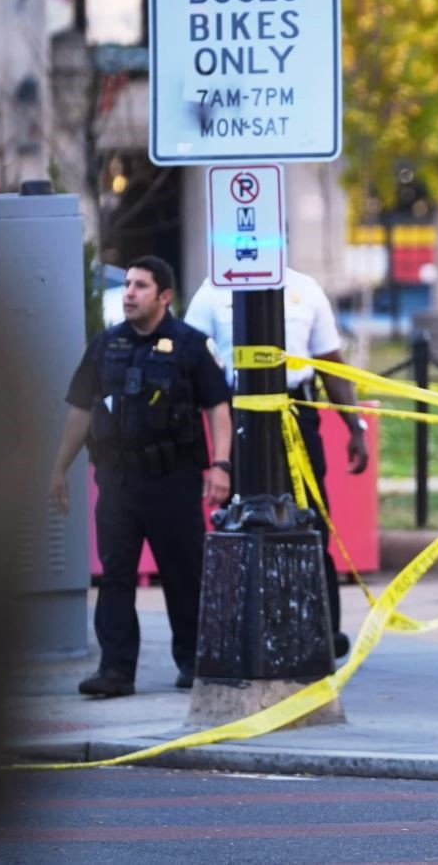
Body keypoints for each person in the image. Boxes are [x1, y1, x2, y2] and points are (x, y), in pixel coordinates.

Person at [48, 256, 233, 696]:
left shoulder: (191, 346)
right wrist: (59, 467)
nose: (129, 293)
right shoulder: (106, 345)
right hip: (118, 480)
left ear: (164, 296)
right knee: (115, 575)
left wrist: (221, 465)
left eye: (141, 286)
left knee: (183, 572)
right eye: (128, 284)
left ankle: (193, 661)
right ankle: (115, 670)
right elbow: (80, 410)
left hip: (173, 478)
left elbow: (217, 408)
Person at [184, 267, 369, 658]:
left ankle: (322, 631)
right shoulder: (214, 289)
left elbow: (331, 363)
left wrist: (355, 427)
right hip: (241, 414)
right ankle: (241, 630)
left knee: (311, 517)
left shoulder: (306, 288)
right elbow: (188, 360)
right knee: (239, 522)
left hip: (296, 413)